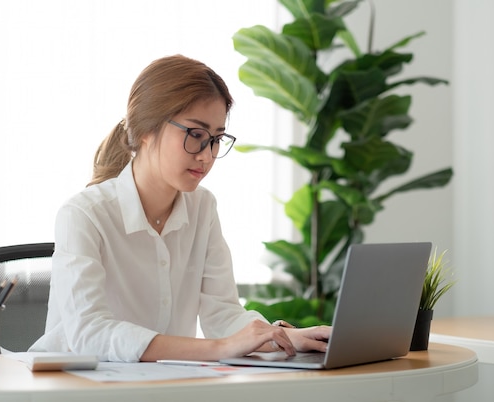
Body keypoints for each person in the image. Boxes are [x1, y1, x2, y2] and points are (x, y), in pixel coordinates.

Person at [29, 54, 331, 362]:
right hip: (73, 386)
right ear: (146, 129)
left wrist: (280, 338)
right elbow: (88, 332)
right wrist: (220, 349)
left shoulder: (202, 207)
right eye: (195, 135)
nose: (207, 155)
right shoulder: (83, 214)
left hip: (163, 384)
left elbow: (223, 314)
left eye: (216, 139)